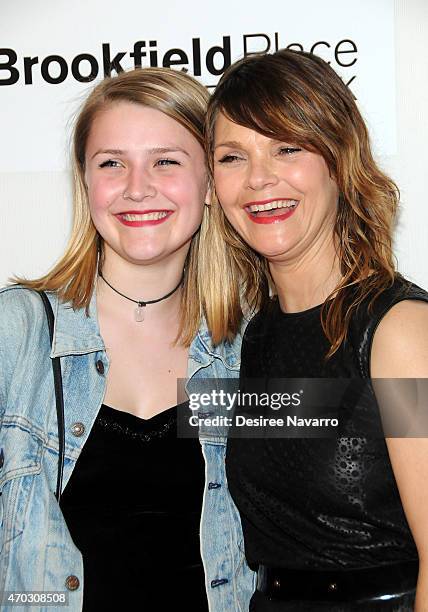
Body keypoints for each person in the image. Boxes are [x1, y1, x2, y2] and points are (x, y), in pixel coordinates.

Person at [0, 66, 254, 612]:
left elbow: (375, 446)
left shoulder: (249, 344)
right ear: (85, 181)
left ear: (210, 184)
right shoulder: (16, 335)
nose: (137, 188)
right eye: (112, 163)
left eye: (166, 161)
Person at [200, 49, 428, 611]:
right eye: (233, 156)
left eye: (287, 148)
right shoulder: (251, 340)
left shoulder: (400, 330)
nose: (258, 179)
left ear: (336, 159)